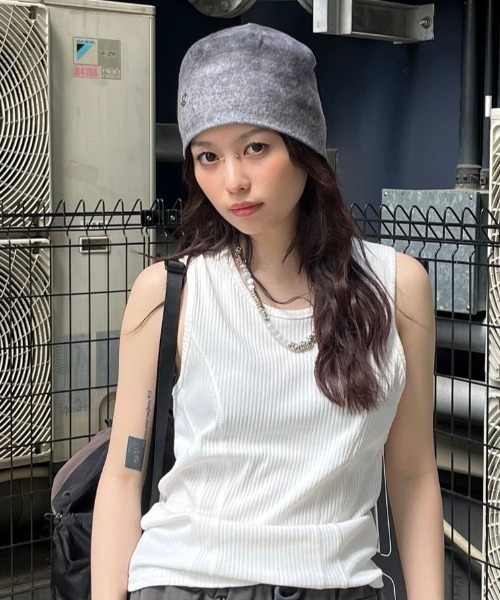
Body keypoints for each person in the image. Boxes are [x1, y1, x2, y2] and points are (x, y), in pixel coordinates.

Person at [91, 23, 444, 600]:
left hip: (337, 585)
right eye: (208, 157)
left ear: (304, 148)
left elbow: (412, 475)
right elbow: (124, 475)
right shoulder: (170, 292)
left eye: (255, 148)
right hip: (185, 581)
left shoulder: (397, 287)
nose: (232, 181)